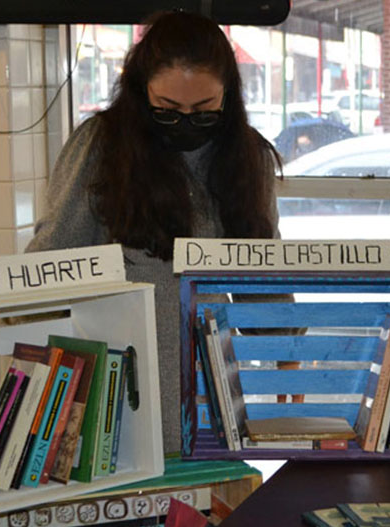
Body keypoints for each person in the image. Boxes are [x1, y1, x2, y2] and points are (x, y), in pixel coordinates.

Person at [26, 11, 284, 455]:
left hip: (209, 386)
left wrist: (287, 344)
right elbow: (52, 257)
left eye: (203, 110)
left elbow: (261, 272)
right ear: (141, 91)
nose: (185, 120)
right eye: (167, 109)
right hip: (115, 382)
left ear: (229, 96)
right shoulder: (103, 145)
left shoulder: (246, 154)